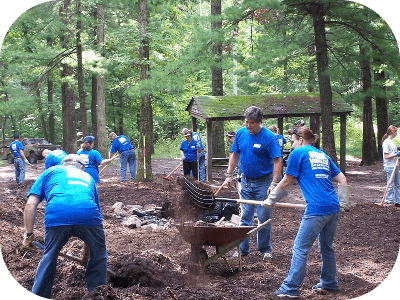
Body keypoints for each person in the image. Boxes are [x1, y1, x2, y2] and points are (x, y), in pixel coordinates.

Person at [263, 127, 349, 298]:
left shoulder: (298, 153)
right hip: (333, 206)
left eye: (293, 141)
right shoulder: (323, 155)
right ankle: (329, 282)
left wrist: (270, 199)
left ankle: (290, 288)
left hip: (317, 208)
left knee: (300, 248)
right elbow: (342, 179)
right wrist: (344, 202)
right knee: (326, 247)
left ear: (301, 139)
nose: (292, 145)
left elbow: (287, 180)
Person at [23, 154, 108, 298]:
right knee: (99, 255)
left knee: (49, 256)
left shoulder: (50, 172)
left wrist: (28, 235)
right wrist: (87, 254)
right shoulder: (88, 178)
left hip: (57, 214)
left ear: (63, 164)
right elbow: (93, 223)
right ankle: (96, 294)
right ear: (82, 167)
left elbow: (30, 205)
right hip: (88, 214)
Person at [224, 106, 282, 260]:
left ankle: (265, 250)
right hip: (246, 181)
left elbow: (277, 161)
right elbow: (235, 154)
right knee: (245, 216)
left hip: (264, 182)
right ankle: (242, 250)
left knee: (263, 217)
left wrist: (274, 183)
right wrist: (229, 174)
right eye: (246, 122)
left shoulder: (269, 137)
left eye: (251, 123)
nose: (248, 125)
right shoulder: (241, 133)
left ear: (260, 122)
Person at [381, 125, 400, 206]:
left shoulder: (391, 142)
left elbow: (393, 152)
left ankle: (397, 200)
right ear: (392, 132)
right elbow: (386, 156)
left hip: (395, 166)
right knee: (390, 184)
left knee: (398, 184)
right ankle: (388, 200)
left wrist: (397, 149)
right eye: (396, 132)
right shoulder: (386, 142)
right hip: (389, 166)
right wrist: (396, 154)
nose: (397, 133)